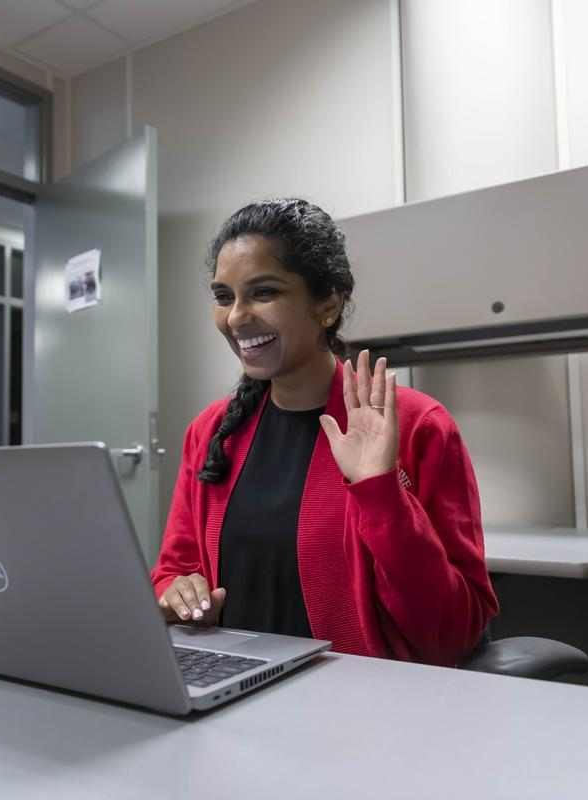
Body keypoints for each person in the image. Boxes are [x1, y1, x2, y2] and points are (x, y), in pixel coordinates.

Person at [150, 198, 498, 667]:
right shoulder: (211, 432)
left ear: (328, 304)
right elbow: (173, 570)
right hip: (233, 693)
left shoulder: (418, 425)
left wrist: (380, 493)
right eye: (223, 296)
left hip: (361, 709)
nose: (235, 317)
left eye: (264, 292)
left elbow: (453, 633)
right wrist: (178, 594)